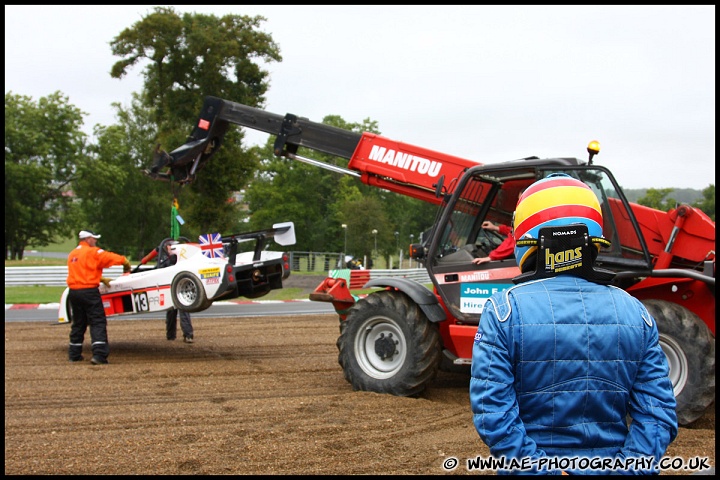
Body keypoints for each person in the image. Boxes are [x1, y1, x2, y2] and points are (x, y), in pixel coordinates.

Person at [469, 174, 677, 475]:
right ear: (594, 237)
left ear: (526, 233)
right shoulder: (636, 311)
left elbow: (493, 416)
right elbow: (658, 415)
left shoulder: (504, 311)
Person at [67, 229, 131, 365]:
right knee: (97, 321)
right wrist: (124, 261)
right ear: (88, 239)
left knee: (79, 322)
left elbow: (82, 272)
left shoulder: (73, 254)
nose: (95, 241)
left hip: (73, 292)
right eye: (94, 238)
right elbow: (109, 257)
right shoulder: (93, 252)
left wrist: (100, 278)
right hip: (89, 292)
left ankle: (74, 354)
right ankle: (99, 355)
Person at [159, 241, 194, 343]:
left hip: (180, 289)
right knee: (171, 313)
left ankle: (187, 335)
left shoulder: (180, 258)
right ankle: (171, 335)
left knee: (183, 312)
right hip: (170, 289)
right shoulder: (166, 259)